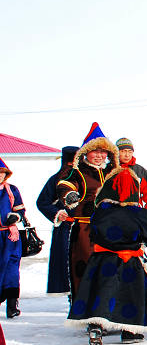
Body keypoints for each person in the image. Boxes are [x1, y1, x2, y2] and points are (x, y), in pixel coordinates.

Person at [67, 166, 147, 345]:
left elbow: (93, 233)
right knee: (130, 296)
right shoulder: (138, 213)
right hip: (130, 262)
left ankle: (96, 327)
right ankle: (130, 332)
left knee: (101, 293)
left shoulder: (101, 210)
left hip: (101, 260)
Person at [56, 123, 119, 298]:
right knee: (86, 269)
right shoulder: (77, 172)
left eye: (103, 152)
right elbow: (65, 185)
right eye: (95, 151)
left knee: (111, 271)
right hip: (86, 231)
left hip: (112, 231)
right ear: (86, 152)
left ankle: (108, 311)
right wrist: (69, 196)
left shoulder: (113, 172)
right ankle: (88, 314)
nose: (99, 156)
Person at [36, 146, 78, 297]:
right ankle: (72, 298)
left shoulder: (87, 178)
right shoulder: (55, 179)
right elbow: (42, 202)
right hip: (65, 229)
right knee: (66, 265)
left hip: (87, 228)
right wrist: (58, 213)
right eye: (70, 161)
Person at [0, 157, 26, 318]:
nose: (0, 176)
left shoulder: (12, 190)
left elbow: (21, 211)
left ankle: (12, 305)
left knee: (11, 271)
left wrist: (15, 217)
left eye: (2, 173)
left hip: (10, 237)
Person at [116, 137, 147, 222]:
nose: (127, 155)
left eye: (130, 151)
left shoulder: (140, 171)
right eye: (123, 151)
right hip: (114, 216)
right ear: (117, 152)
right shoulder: (109, 170)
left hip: (135, 216)